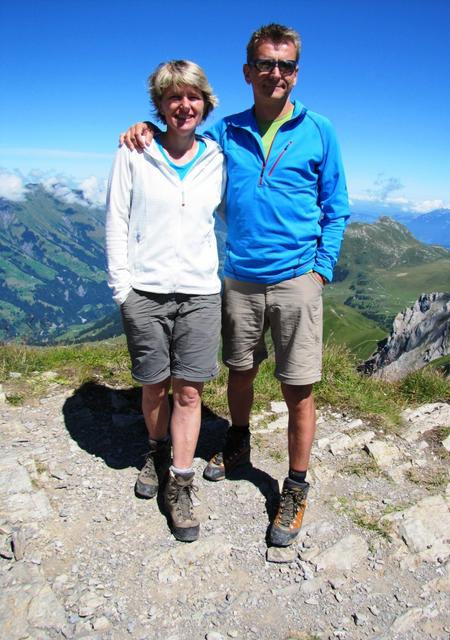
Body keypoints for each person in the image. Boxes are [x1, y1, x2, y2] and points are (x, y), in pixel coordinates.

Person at [121, 24, 350, 547]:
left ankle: (295, 486)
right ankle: (238, 442)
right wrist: (147, 128)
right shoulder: (226, 132)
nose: (275, 73)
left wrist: (321, 269)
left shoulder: (320, 131)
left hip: (297, 278)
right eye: (265, 64)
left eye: (285, 65)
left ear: (296, 73)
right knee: (239, 371)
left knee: (298, 388)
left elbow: (336, 206)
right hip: (240, 278)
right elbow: (183, 140)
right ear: (248, 71)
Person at [106, 60, 226, 543]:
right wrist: (123, 291)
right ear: (159, 105)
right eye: (173, 96)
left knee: (190, 392)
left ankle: (180, 481)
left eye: (192, 96)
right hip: (146, 291)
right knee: (154, 387)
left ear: (205, 103)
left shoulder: (218, 156)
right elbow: (116, 220)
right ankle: (155, 450)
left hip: (200, 292)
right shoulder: (134, 151)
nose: (184, 105)